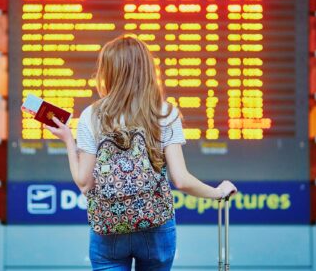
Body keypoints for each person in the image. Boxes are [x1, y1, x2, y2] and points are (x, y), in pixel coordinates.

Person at [46, 35, 238, 271]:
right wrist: (218, 193)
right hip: (156, 226)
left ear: (109, 71)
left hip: (109, 226)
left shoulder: (92, 115)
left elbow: (84, 184)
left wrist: (68, 139)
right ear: (147, 69)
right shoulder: (165, 113)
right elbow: (181, 179)